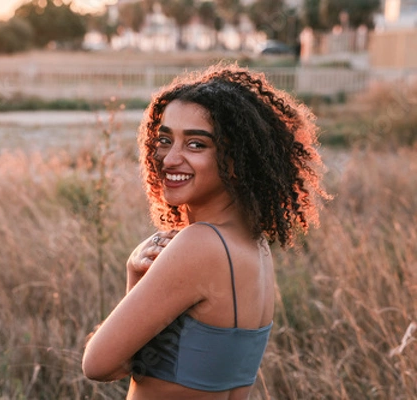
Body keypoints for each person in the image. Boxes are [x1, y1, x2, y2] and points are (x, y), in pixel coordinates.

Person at [82, 63, 329, 399]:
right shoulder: (253, 246)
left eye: (196, 144)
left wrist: (132, 279)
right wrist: (137, 277)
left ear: (237, 158)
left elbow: (99, 365)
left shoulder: (200, 244)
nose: (169, 159)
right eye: (165, 140)